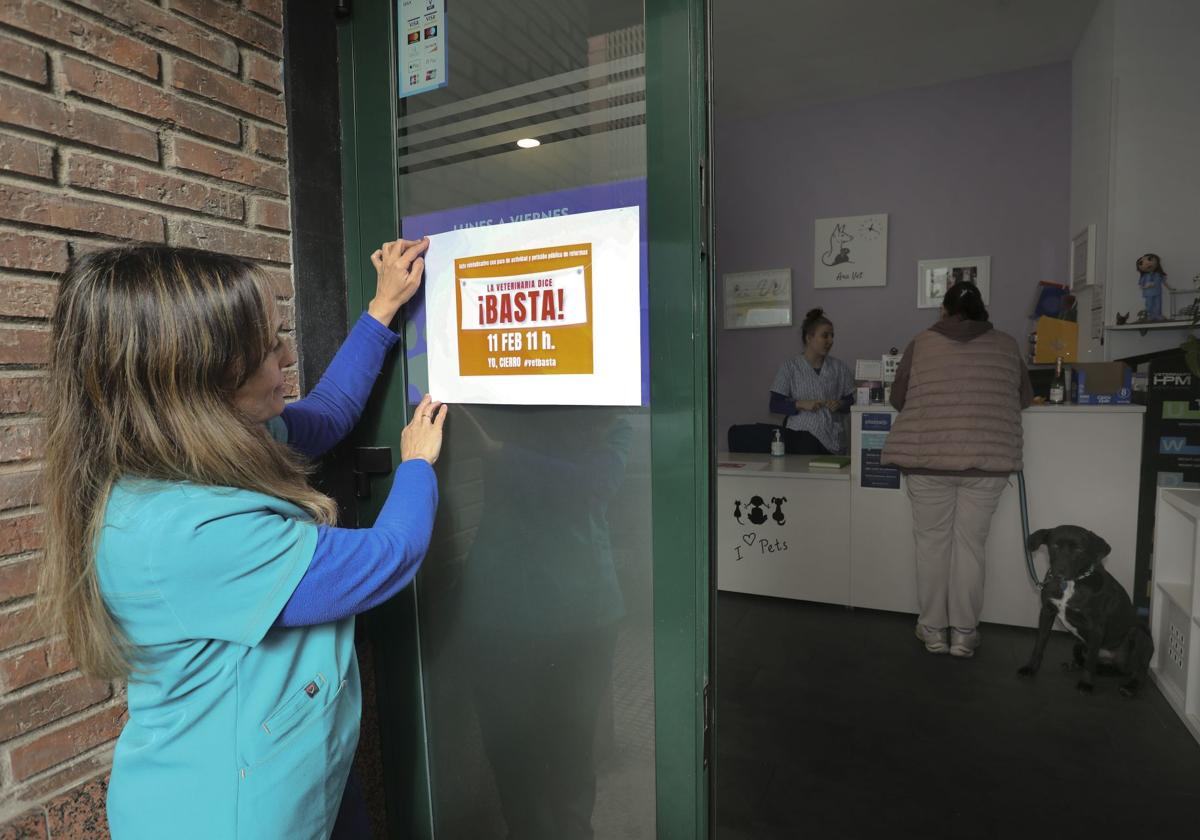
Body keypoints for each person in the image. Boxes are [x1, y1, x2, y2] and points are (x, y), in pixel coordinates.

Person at [39, 240, 445, 839]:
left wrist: (383, 309)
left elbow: (328, 414)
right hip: (231, 813)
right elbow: (387, 559)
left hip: (291, 772)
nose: (286, 353)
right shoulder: (187, 534)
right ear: (197, 380)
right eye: (264, 347)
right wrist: (418, 465)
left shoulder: (207, 443)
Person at [880, 282, 1033, 658]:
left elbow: (897, 398)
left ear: (944, 311)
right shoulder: (1008, 345)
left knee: (932, 545)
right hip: (986, 463)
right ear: (982, 311)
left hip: (929, 460)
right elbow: (1024, 398)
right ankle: (964, 634)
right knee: (971, 547)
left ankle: (932, 631)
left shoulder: (922, 342)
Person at [769, 307, 856, 454]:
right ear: (809, 338)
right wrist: (800, 404)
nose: (830, 341)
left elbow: (851, 402)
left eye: (832, 336)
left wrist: (840, 404)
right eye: (825, 336)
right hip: (800, 442)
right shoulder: (790, 367)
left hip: (833, 443)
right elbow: (775, 404)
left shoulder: (839, 368)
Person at [1136, 252, 1171, 321]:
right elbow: (1141, 286)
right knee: (1149, 305)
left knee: (1158, 305)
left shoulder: (1158, 274)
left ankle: (1157, 315)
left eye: (1149, 259)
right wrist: (1146, 286)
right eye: (1141, 263)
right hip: (1148, 294)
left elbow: (1164, 282)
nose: (1147, 263)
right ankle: (1150, 315)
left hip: (1158, 293)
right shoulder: (1144, 276)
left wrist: (1170, 288)